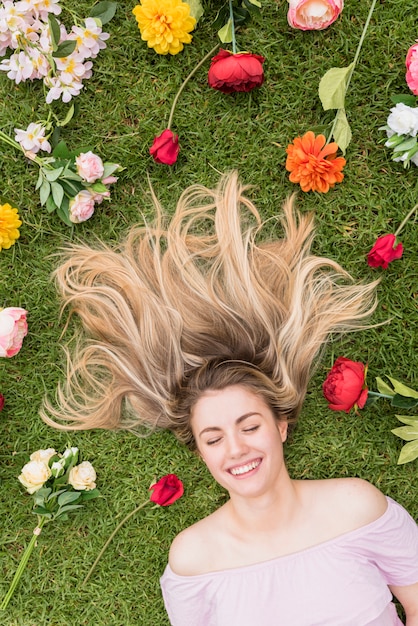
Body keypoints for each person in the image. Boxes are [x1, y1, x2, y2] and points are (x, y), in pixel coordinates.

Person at [42, 172, 418, 625]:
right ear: (200, 452)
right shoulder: (193, 559)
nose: (236, 449)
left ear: (281, 424)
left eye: (249, 425)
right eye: (214, 437)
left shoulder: (358, 507)